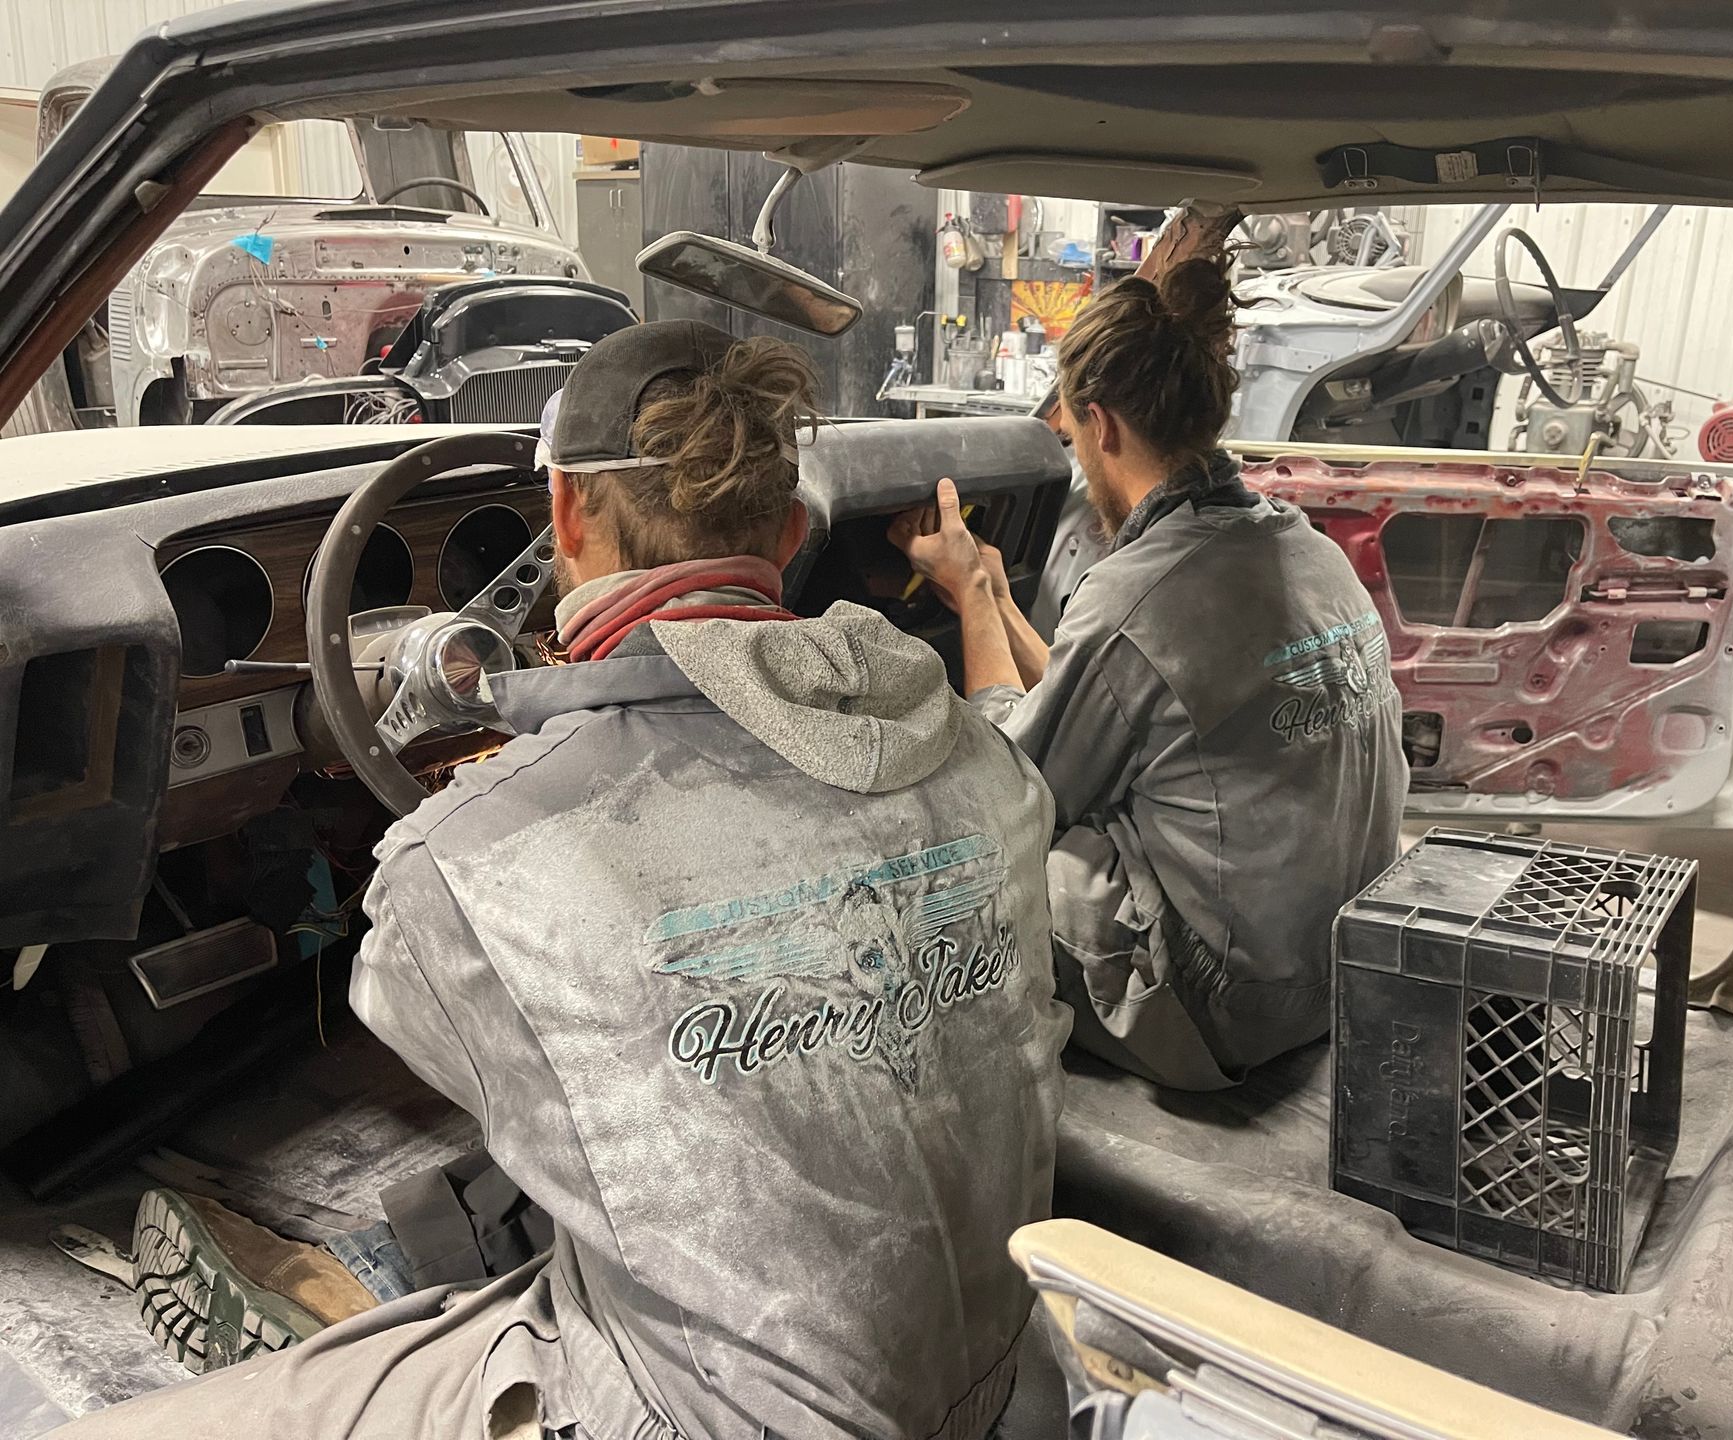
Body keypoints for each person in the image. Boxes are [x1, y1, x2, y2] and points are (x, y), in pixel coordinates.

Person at [59, 320, 1071, 1439]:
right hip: (1004, 1383)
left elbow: (449, 1036)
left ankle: (369, 1305)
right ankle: (389, 1281)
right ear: (788, 536)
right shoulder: (991, 764)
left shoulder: (466, 864)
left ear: (566, 517)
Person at [891, 257, 1408, 1092]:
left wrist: (972, 595)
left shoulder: (1144, 594)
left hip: (1230, 1008)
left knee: (947, 878)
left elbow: (1006, 785)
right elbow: (1091, 684)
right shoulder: (1305, 552)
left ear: (1101, 425)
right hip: (1341, 975)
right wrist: (984, 584)